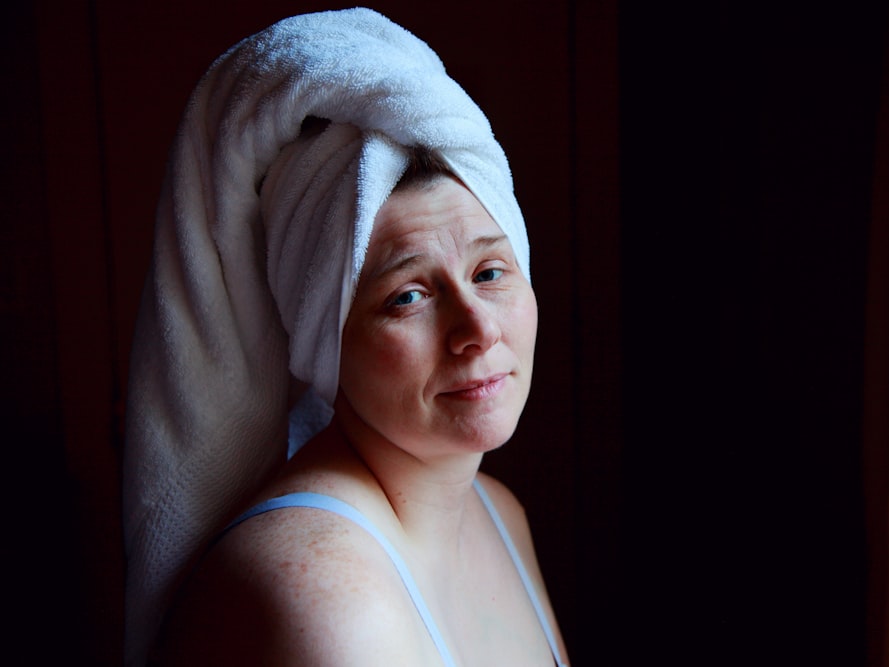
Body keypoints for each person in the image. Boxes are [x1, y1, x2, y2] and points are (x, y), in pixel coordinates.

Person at [121, 8, 569, 667]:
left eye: (490, 271)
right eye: (408, 294)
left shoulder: (499, 514)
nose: (477, 328)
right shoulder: (323, 599)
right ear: (322, 334)